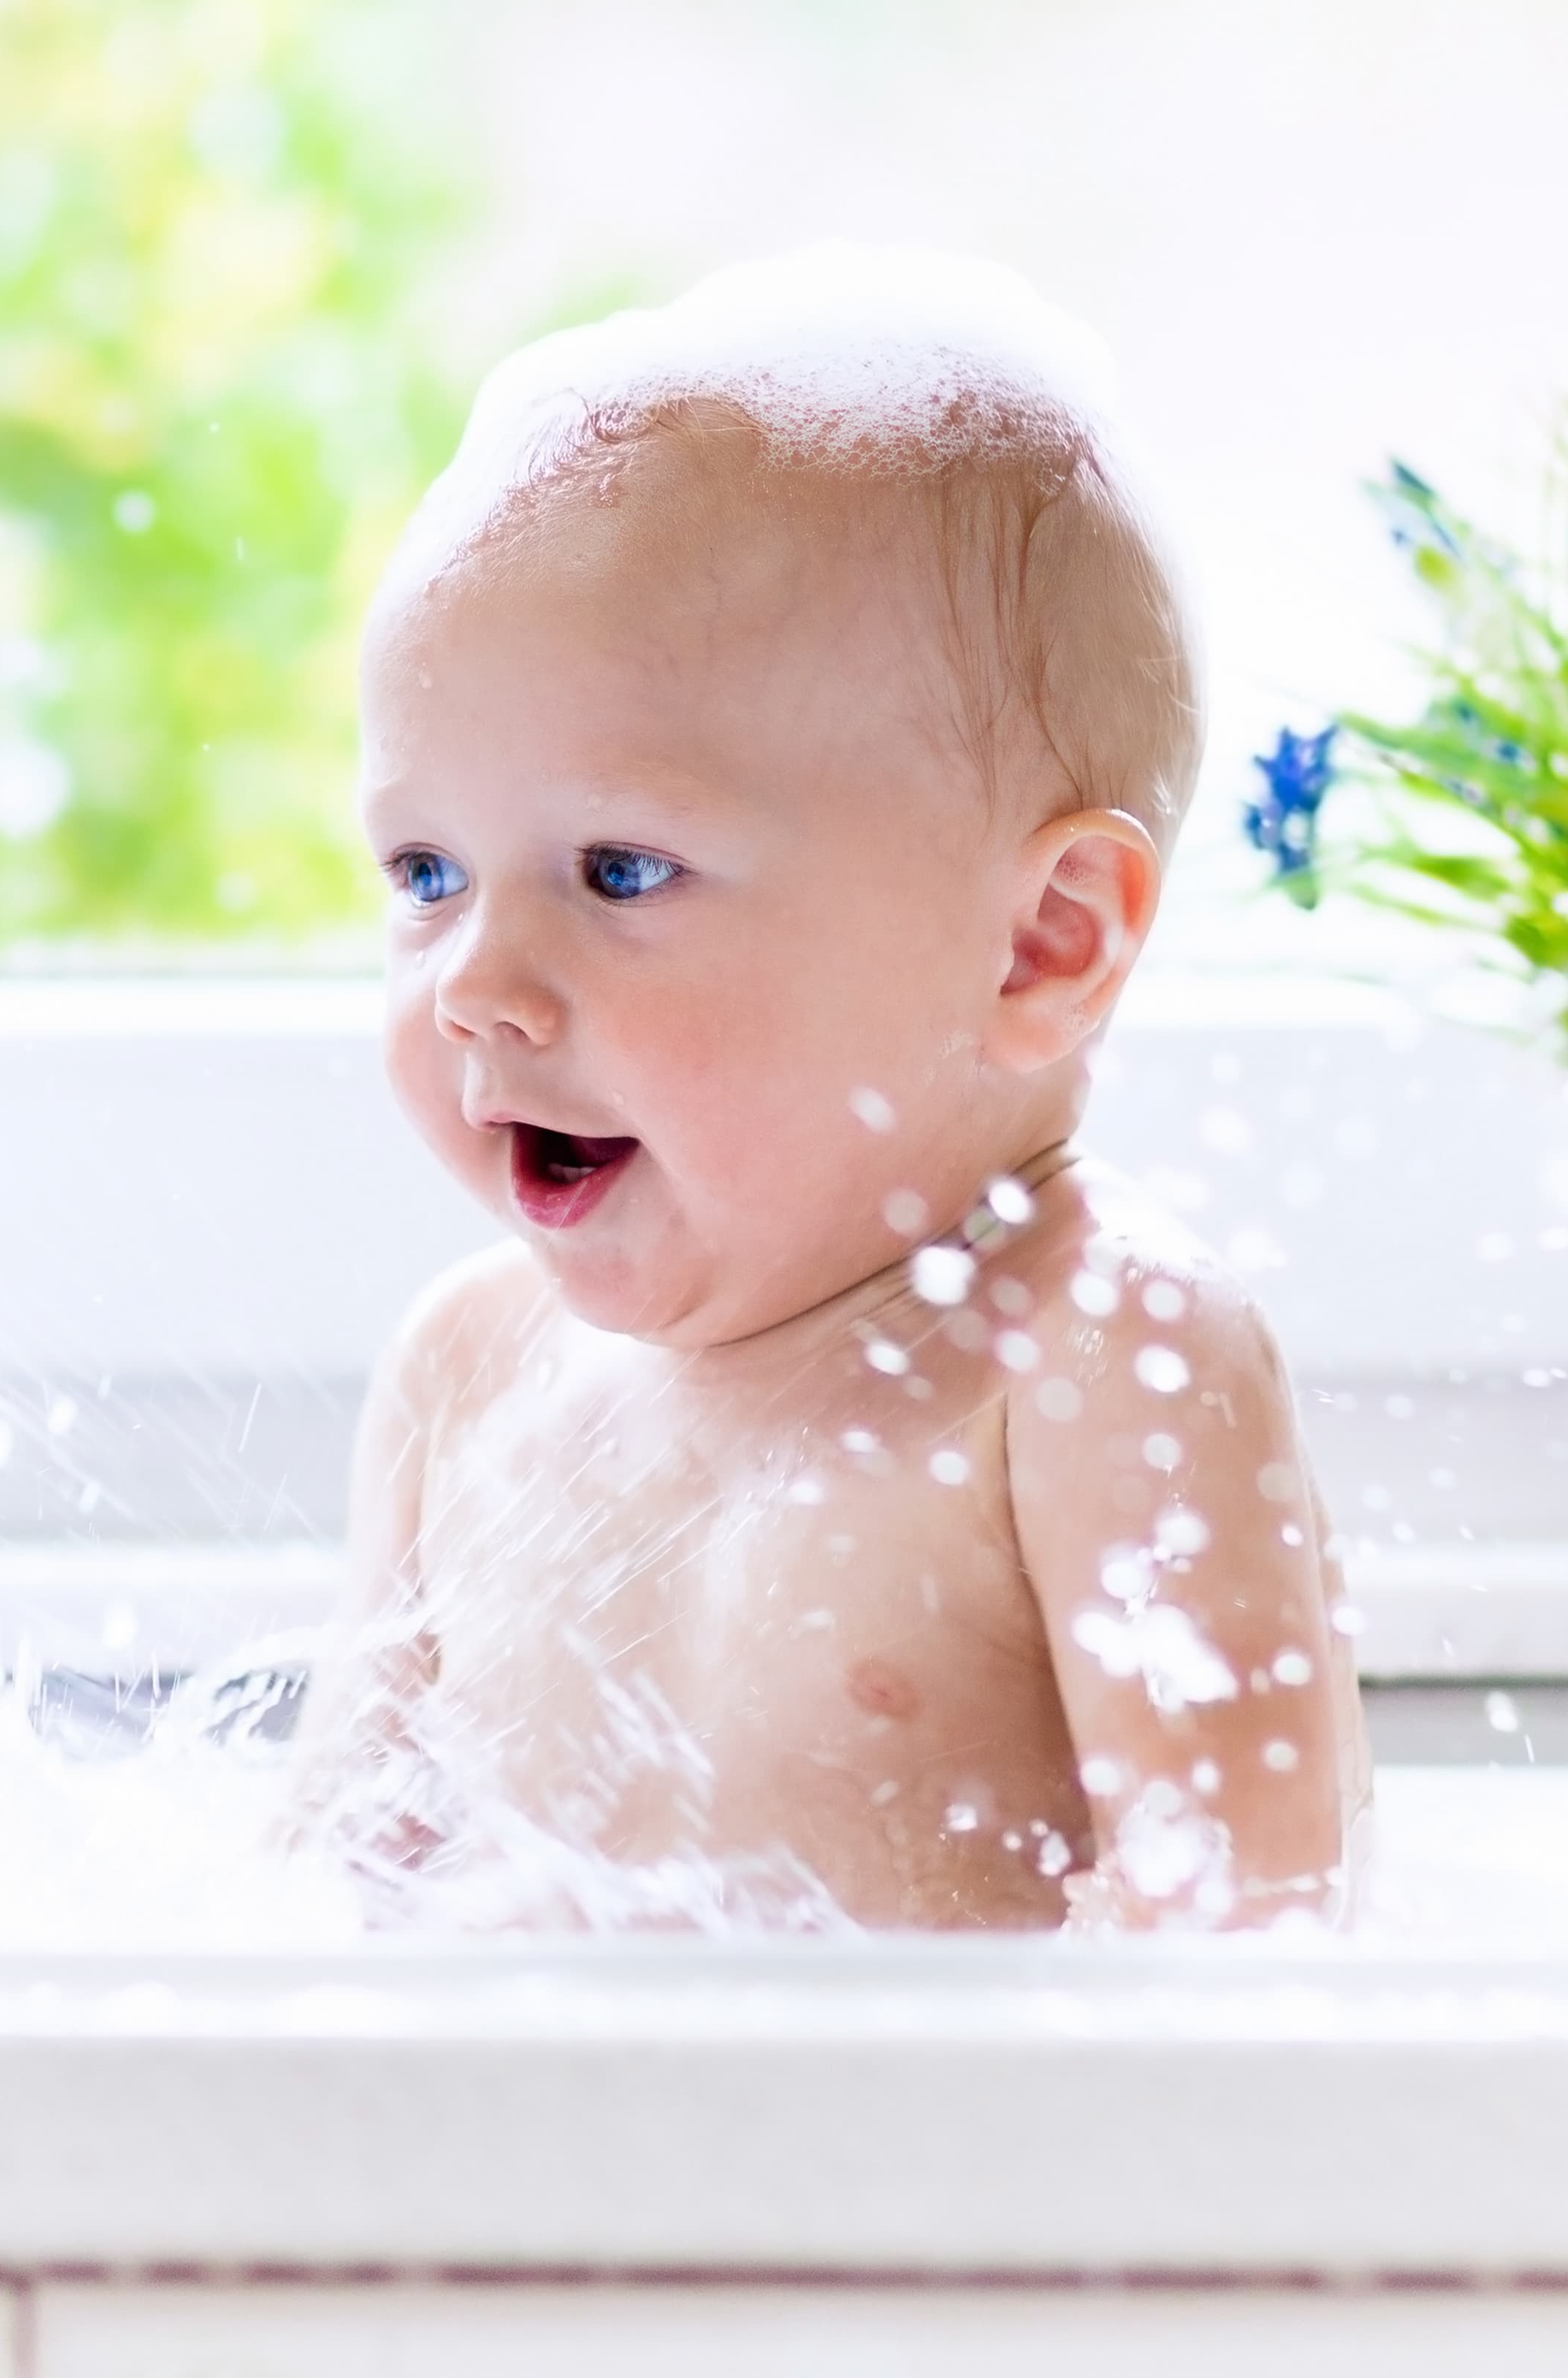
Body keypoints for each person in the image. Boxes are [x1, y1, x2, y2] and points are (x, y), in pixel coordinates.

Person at [290, 247, 1363, 1932]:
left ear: (1040, 944)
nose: (477, 986)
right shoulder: (466, 1373)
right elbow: (308, 1928)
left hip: (914, 2204)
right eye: (423, 868)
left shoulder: (1090, 1365)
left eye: (622, 868)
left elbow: (1249, 1979)